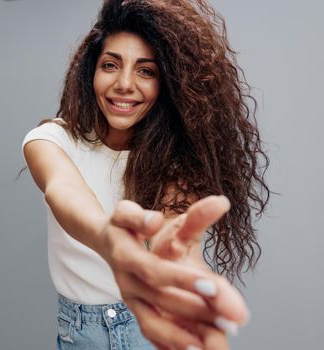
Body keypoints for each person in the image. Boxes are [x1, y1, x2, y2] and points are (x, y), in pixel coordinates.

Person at [22, 0, 270, 349]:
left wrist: (191, 285)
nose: (124, 84)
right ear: (90, 70)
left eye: (146, 71)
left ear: (168, 84)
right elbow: (63, 190)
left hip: (154, 326)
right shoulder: (51, 140)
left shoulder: (176, 160)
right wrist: (111, 241)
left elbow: (179, 242)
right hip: (82, 336)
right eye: (111, 65)